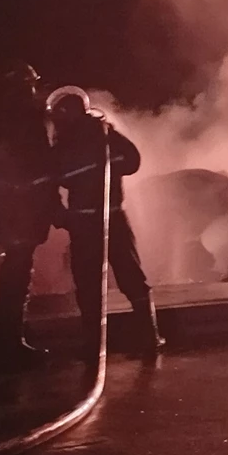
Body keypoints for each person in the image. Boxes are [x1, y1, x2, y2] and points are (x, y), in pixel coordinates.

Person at [46, 86, 164, 362]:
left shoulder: (76, 142)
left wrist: (59, 214)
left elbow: (130, 162)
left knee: (91, 283)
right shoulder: (100, 136)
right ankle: (147, 337)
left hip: (90, 221)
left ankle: (96, 344)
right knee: (128, 277)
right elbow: (132, 162)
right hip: (109, 218)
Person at [0, 61, 57, 366]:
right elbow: (43, 168)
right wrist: (51, 205)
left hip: (1, 210)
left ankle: (4, 329)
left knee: (11, 268)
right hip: (24, 211)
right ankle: (12, 338)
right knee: (19, 271)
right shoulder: (30, 118)